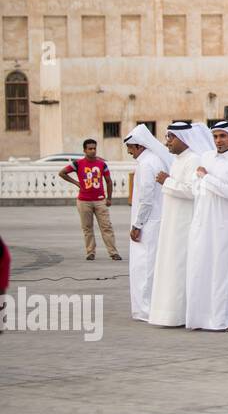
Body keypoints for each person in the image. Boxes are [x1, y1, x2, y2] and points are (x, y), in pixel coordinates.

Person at [185, 121, 228, 330]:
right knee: (201, 269)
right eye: (215, 136)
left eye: (222, 136)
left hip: (227, 226)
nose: (218, 141)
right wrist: (203, 181)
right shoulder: (205, 157)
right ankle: (200, 318)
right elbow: (196, 187)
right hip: (204, 224)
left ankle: (223, 319)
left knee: (224, 274)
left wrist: (206, 178)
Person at [149, 120, 214, 326]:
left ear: (184, 139)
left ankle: (180, 314)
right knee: (169, 266)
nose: (167, 142)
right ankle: (167, 314)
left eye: (171, 137)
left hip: (184, 225)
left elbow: (193, 191)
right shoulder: (177, 160)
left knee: (179, 267)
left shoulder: (194, 159)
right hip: (172, 224)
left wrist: (166, 181)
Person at [123, 124, 173, 322]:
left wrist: (137, 225)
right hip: (155, 221)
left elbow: (146, 198)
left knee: (143, 266)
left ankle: (145, 309)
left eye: (131, 148)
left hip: (148, 223)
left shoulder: (147, 163)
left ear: (140, 146)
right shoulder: (155, 160)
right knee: (150, 265)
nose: (129, 152)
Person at [60, 139, 121, 262]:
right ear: (84, 150)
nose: (92, 151)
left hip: (100, 201)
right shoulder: (77, 164)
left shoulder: (102, 164)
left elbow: (108, 181)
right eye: (90, 149)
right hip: (84, 201)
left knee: (106, 227)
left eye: (94, 148)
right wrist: (76, 182)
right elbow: (62, 173)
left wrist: (109, 198)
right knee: (87, 228)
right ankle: (90, 252)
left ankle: (113, 252)